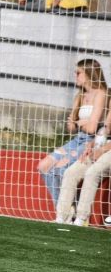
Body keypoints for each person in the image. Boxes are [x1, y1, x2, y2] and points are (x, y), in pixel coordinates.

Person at [38, 59, 106, 205]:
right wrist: (74, 123)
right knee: (43, 166)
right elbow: (72, 129)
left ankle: (66, 212)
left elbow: (93, 129)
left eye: (78, 73)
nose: (75, 76)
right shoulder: (80, 96)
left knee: (60, 168)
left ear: (89, 74)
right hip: (78, 139)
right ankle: (62, 210)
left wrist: (82, 124)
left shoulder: (101, 93)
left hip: (92, 141)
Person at [56, 106, 111, 226]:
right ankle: (62, 217)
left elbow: (108, 129)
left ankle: (81, 218)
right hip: (101, 147)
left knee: (92, 173)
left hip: (108, 150)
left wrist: (102, 150)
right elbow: (104, 132)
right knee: (70, 172)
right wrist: (91, 144)